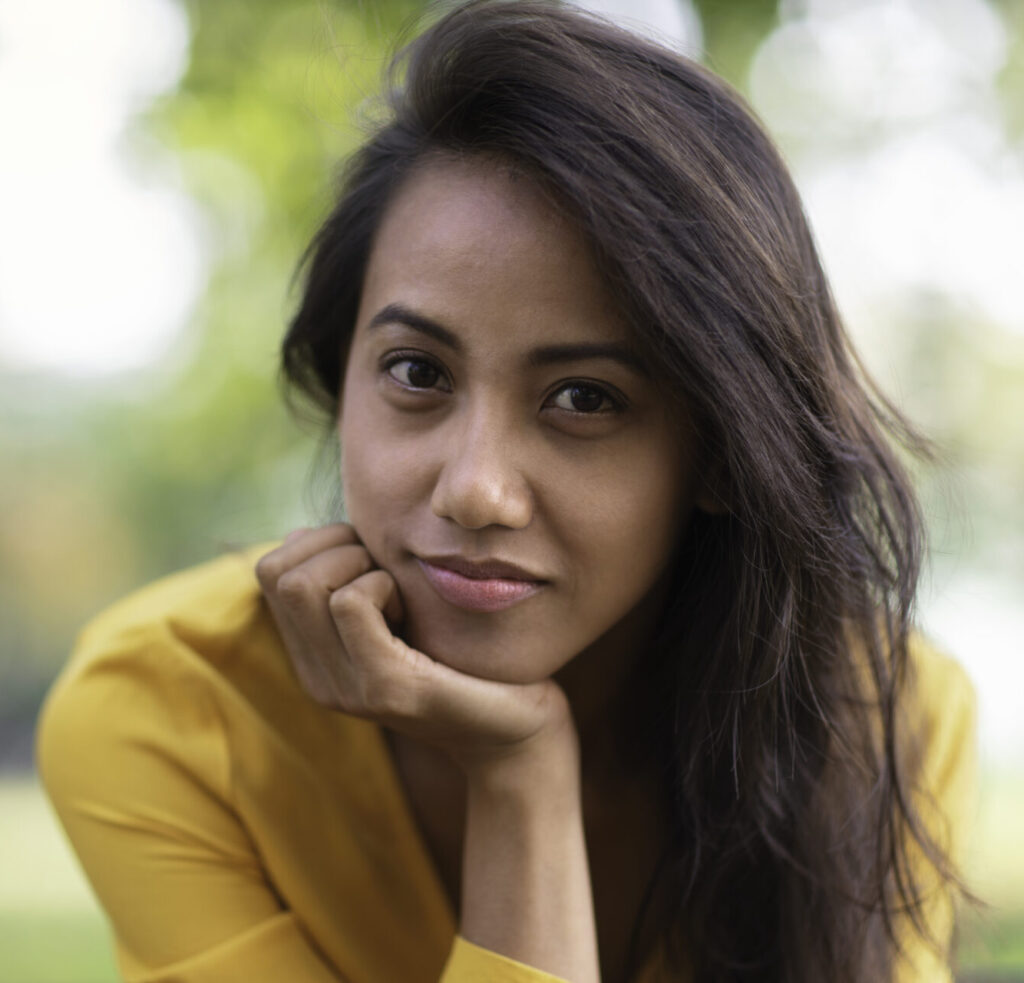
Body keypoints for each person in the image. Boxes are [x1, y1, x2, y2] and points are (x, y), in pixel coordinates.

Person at [36, 2, 977, 981]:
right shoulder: (167, 710)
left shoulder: (882, 717)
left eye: (583, 397)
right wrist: (519, 772)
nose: (477, 488)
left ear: (718, 453)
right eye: (416, 372)